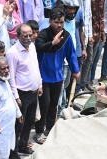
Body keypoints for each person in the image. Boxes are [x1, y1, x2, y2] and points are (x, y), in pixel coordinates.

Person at [34, 8, 79, 144]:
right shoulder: (43, 34)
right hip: (43, 77)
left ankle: (50, 128)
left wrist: (75, 70)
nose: (59, 25)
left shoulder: (66, 36)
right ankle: (39, 131)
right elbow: (39, 47)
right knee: (44, 104)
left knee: (54, 104)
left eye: (61, 22)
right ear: (50, 21)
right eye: (56, 22)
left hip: (58, 76)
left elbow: (71, 54)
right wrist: (53, 43)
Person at [7, 23, 42, 158]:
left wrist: (40, 84)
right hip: (22, 94)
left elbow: (35, 66)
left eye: (30, 35)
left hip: (33, 92)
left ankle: (23, 146)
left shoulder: (32, 47)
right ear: (18, 36)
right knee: (18, 125)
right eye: (25, 35)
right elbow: (11, 77)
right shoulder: (13, 53)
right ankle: (13, 152)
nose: (29, 38)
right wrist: (16, 97)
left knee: (29, 122)